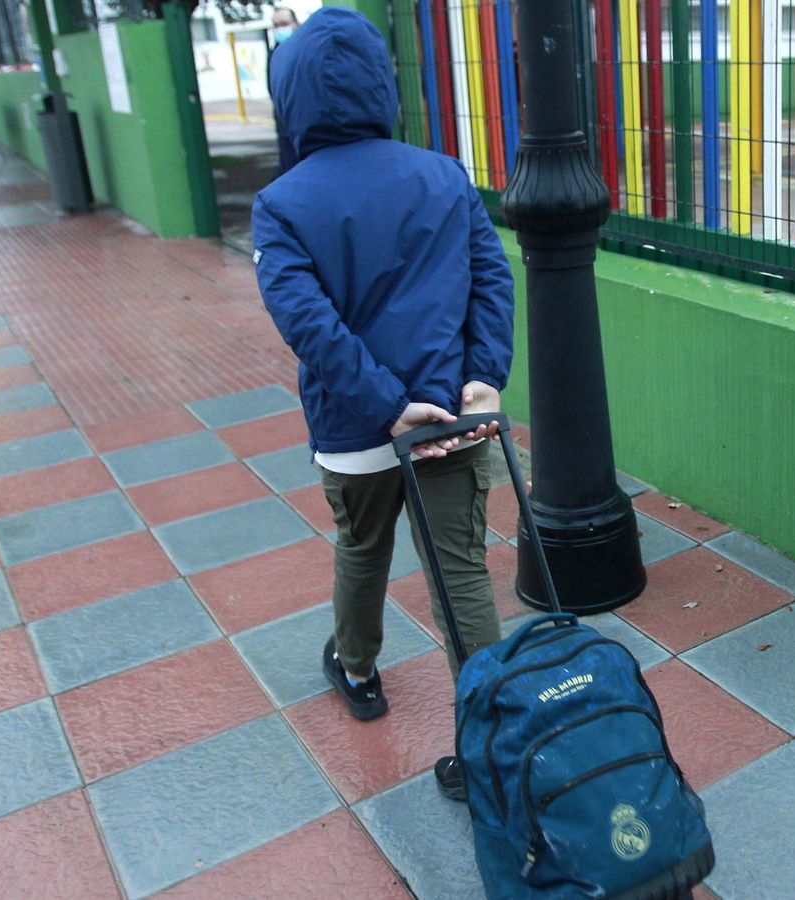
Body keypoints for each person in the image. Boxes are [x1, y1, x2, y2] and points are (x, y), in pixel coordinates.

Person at [252, 7, 515, 802]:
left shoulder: (282, 204)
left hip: (357, 430)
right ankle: (491, 747)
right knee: (460, 571)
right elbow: (491, 280)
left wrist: (383, 406)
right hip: (451, 417)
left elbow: (310, 326)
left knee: (361, 548)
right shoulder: (444, 175)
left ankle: (358, 670)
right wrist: (483, 376)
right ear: (381, 83)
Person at [268, 7, 300, 176]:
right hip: (285, 127)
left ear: (296, 23)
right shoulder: (274, 55)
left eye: (284, 23)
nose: (280, 28)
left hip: (307, 126)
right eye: (276, 25)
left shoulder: (307, 50)